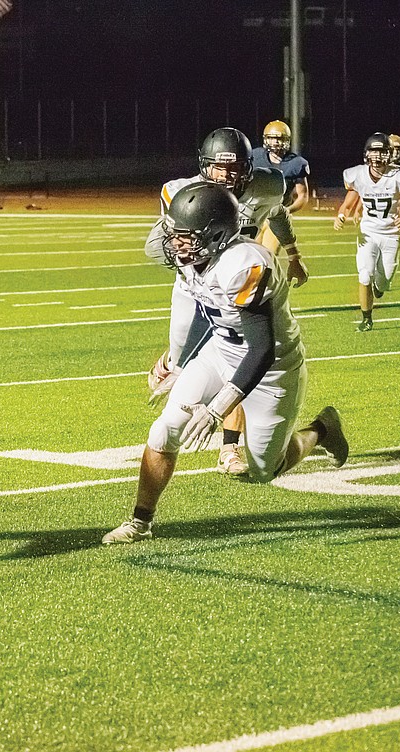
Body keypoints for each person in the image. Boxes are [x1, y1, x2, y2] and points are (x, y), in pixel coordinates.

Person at [103, 182, 347, 545]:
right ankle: (140, 521)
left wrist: (217, 409)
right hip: (220, 352)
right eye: (175, 235)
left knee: (266, 469)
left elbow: (261, 349)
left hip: (273, 367)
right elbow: (200, 314)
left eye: (185, 237)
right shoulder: (194, 261)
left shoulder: (245, 264)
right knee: (165, 429)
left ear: (215, 236)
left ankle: (322, 429)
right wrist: (178, 362)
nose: (176, 244)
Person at [149, 127, 309, 477]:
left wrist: (293, 253)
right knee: (177, 364)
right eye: (217, 168)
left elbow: (278, 213)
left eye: (234, 168)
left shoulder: (268, 185)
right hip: (195, 284)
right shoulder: (181, 192)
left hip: (240, 278)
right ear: (203, 165)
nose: (225, 176)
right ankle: (172, 363)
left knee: (240, 350)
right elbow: (158, 245)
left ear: (249, 168)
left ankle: (230, 446)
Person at [333, 132, 400, 332]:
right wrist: (341, 215)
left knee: (384, 281)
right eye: (373, 151)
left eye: (381, 152)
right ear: (366, 154)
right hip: (368, 232)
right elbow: (348, 202)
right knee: (364, 275)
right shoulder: (357, 175)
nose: (377, 157)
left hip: (391, 234)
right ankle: (366, 317)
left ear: (389, 154)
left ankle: (379, 288)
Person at [252, 120, 310, 214]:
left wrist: (287, 211)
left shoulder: (296, 163)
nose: (275, 142)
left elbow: (303, 196)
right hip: (255, 211)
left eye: (279, 139)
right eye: (271, 138)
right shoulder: (255, 156)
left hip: (280, 213)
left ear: (286, 140)